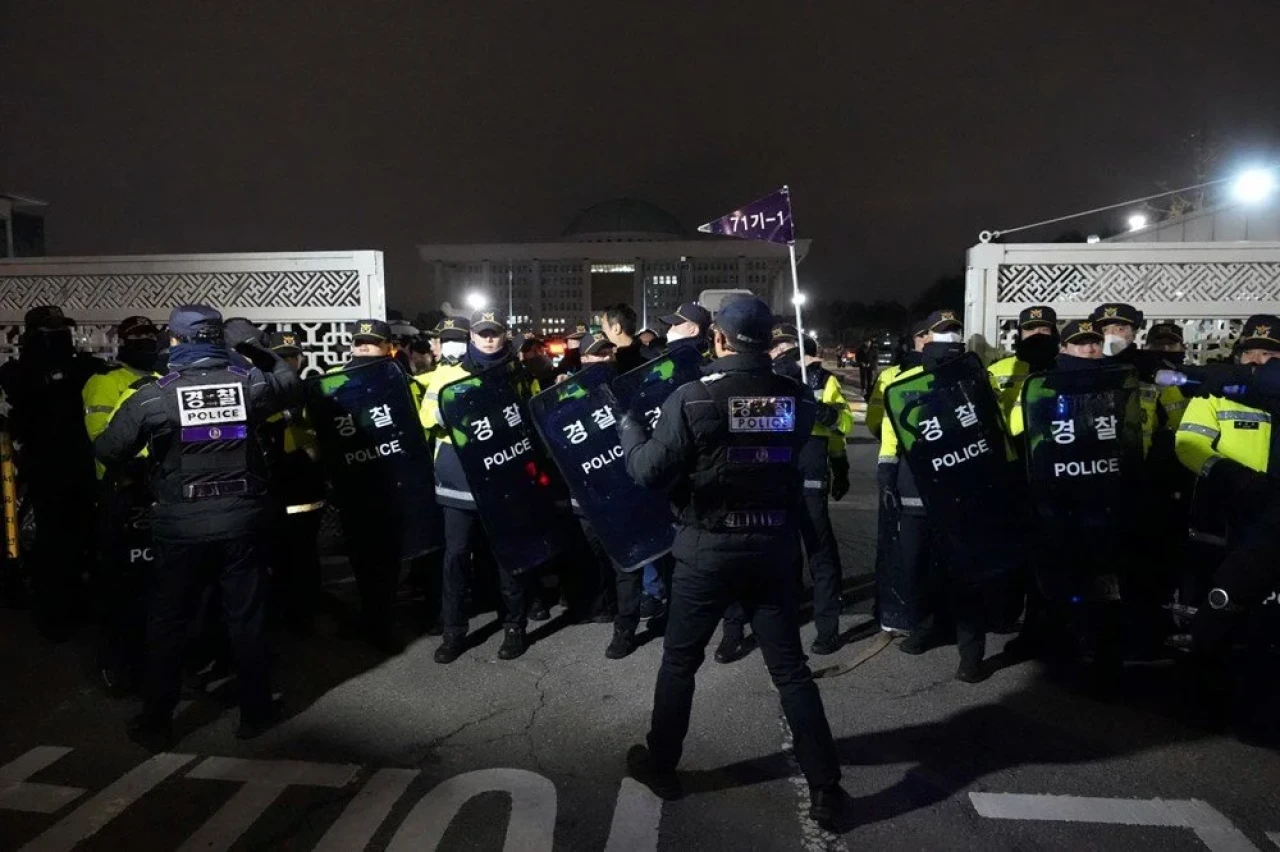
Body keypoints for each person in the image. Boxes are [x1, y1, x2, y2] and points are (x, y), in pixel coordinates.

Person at [618, 295, 848, 828]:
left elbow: (649, 472)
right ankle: (827, 789)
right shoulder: (792, 397)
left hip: (706, 549)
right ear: (769, 341)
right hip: (772, 548)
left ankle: (662, 764)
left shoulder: (692, 398)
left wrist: (630, 431)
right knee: (790, 671)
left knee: (680, 661)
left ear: (717, 339)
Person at [95, 305, 298, 748]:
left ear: (174, 341)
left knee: (168, 623)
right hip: (242, 523)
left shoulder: (152, 396)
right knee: (246, 620)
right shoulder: (250, 383)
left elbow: (109, 450)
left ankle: (157, 722)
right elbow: (289, 385)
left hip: (180, 528)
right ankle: (256, 713)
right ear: (217, 340)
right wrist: (256, 348)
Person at [883, 310, 993, 682]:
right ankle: (927, 628)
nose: (949, 338)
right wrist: (886, 473)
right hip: (916, 489)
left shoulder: (976, 378)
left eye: (954, 332)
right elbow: (891, 431)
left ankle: (971, 652)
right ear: (924, 339)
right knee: (917, 567)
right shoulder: (906, 381)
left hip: (964, 489)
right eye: (941, 333)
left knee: (966, 573)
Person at [422, 310, 536, 663]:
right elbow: (427, 418)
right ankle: (454, 632)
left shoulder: (519, 375)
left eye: (495, 333)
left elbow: (530, 421)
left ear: (505, 335)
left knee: (508, 557)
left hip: (504, 479)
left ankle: (515, 627)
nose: (488, 339)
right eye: (482, 333)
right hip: (458, 482)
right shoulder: (448, 375)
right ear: (471, 336)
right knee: (455, 559)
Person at [0, 305, 107, 640]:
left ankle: (76, 608)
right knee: (53, 544)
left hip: (78, 466)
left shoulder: (80, 367)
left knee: (82, 538)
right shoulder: (19, 373)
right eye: (51, 332)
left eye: (62, 331)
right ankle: (56, 615)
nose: (60, 337)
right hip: (47, 470)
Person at [323, 319, 415, 652]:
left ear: (388, 348)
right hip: (352, 487)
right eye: (359, 342)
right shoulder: (332, 383)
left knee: (387, 559)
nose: (363, 348)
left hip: (390, 484)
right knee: (361, 559)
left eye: (371, 343)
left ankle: (383, 622)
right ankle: (372, 616)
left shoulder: (400, 382)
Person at [84, 316, 162, 692]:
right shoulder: (104, 382)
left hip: (161, 491)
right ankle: (118, 665)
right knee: (121, 584)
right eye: (137, 337)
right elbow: (102, 439)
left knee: (162, 583)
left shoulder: (167, 378)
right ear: (122, 343)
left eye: (151, 335)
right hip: (123, 490)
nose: (146, 342)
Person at [764, 324, 852, 654]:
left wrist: (840, 465)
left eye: (784, 347)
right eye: (773, 347)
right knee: (782, 553)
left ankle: (827, 623)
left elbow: (842, 425)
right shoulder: (766, 380)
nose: (777, 352)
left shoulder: (821, 380)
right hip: (776, 472)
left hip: (811, 472)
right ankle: (786, 615)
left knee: (819, 550)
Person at [261, 331, 326, 637]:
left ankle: (305, 614)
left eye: (292, 356)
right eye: (281, 356)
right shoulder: (260, 391)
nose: (289, 361)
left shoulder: (311, 390)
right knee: (274, 553)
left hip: (304, 483)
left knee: (304, 552)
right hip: (273, 484)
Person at [872, 316, 929, 635]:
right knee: (901, 547)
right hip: (904, 469)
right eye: (929, 335)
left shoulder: (964, 373)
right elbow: (879, 423)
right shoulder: (894, 376)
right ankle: (894, 610)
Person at [988, 306, 1059, 431]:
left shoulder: (1064, 368)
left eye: (1044, 329)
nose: (1037, 334)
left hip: (1056, 442)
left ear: (1053, 334)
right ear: (1020, 334)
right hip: (1011, 446)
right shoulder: (996, 370)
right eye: (1030, 329)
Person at [601, 303, 659, 373]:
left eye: (604, 327)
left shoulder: (623, 363)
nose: (602, 331)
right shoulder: (649, 355)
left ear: (616, 328)